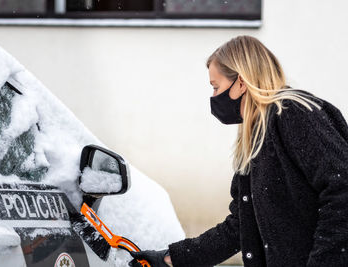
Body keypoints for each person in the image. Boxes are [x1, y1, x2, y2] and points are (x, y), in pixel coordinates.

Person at [128, 35, 348, 267]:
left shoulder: (294, 115)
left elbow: (342, 189)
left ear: (241, 83)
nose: (214, 97)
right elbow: (242, 225)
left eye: (216, 87)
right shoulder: (257, 137)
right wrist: (172, 259)